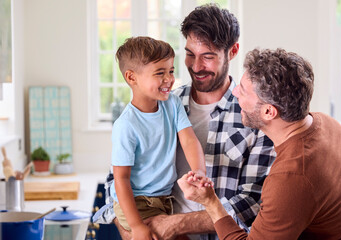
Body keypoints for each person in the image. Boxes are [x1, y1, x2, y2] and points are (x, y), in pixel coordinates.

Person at [93, 4, 276, 240]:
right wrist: (132, 228)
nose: (196, 67)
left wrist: (176, 225)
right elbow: (116, 182)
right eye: (190, 54)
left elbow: (253, 203)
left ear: (232, 51)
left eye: (208, 56)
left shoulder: (255, 116)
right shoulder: (164, 101)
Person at [178, 48, 341, 239]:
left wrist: (211, 203)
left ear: (268, 112)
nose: (234, 92)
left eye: (242, 91)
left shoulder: (291, 176)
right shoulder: (328, 124)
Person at [110, 36, 209, 240]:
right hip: (136, 202)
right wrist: (136, 226)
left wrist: (199, 171)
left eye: (171, 71)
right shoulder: (126, 125)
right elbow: (120, 179)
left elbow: (189, 140)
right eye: (160, 73)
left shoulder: (171, 104)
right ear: (131, 77)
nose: (169, 79)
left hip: (164, 199)